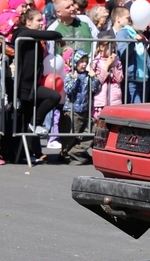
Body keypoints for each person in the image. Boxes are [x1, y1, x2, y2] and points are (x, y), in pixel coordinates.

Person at [12, 9, 63, 162]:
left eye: (42, 21)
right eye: (38, 21)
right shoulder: (21, 33)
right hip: (24, 86)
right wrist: (58, 36)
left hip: (34, 84)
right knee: (53, 96)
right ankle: (20, 152)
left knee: (27, 122)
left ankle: (32, 152)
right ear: (28, 22)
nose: (42, 24)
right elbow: (53, 35)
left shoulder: (33, 36)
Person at [59, 50, 100, 165]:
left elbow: (96, 88)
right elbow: (68, 90)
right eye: (81, 61)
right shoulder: (70, 75)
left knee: (91, 132)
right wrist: (74, 79)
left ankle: (75, 152)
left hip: (85, 110)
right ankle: (67, 154)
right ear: (74, 62)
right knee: (71, 135)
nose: (83, 64)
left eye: (85, 62)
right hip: (72, 111)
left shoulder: (88, 76)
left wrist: (94, 77)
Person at [116, 7, 150, 104]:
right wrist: (133, 41)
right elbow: (122, 54)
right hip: (131, 81)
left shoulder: (142, 36)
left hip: (144, 81)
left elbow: (146, 62)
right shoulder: (124, 33)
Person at [91, 31, 123, 120]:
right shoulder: (96, 62)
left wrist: (113, 66)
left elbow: (119, 79)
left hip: (114, 100)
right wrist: (106, 66)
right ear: (101, 47)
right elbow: (98, 81)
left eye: (113, 48)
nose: (112, 50)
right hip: (101, 100)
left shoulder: (117, 62)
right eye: (110, 48)